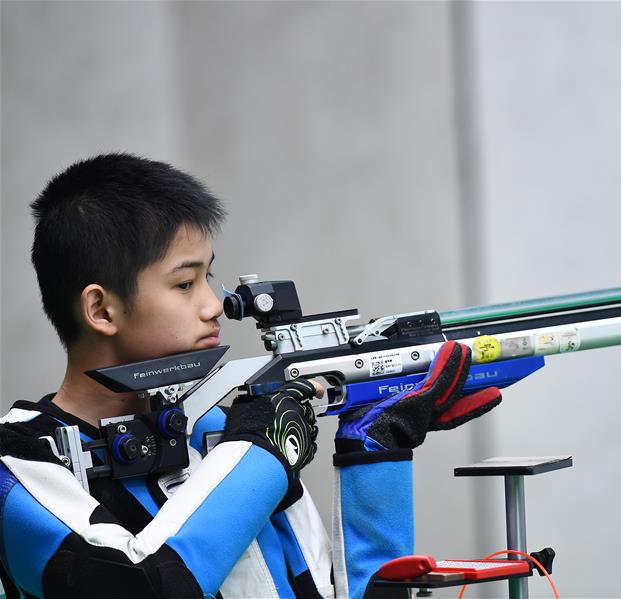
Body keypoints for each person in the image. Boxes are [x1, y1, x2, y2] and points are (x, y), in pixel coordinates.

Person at [0, 154, 501, 599]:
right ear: (101, 310)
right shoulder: (17, 464)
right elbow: (144, 582)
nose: (214, 303)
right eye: (184, 283)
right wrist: (263, 451)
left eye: (209, 277)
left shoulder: (219, 437)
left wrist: (375, 453)